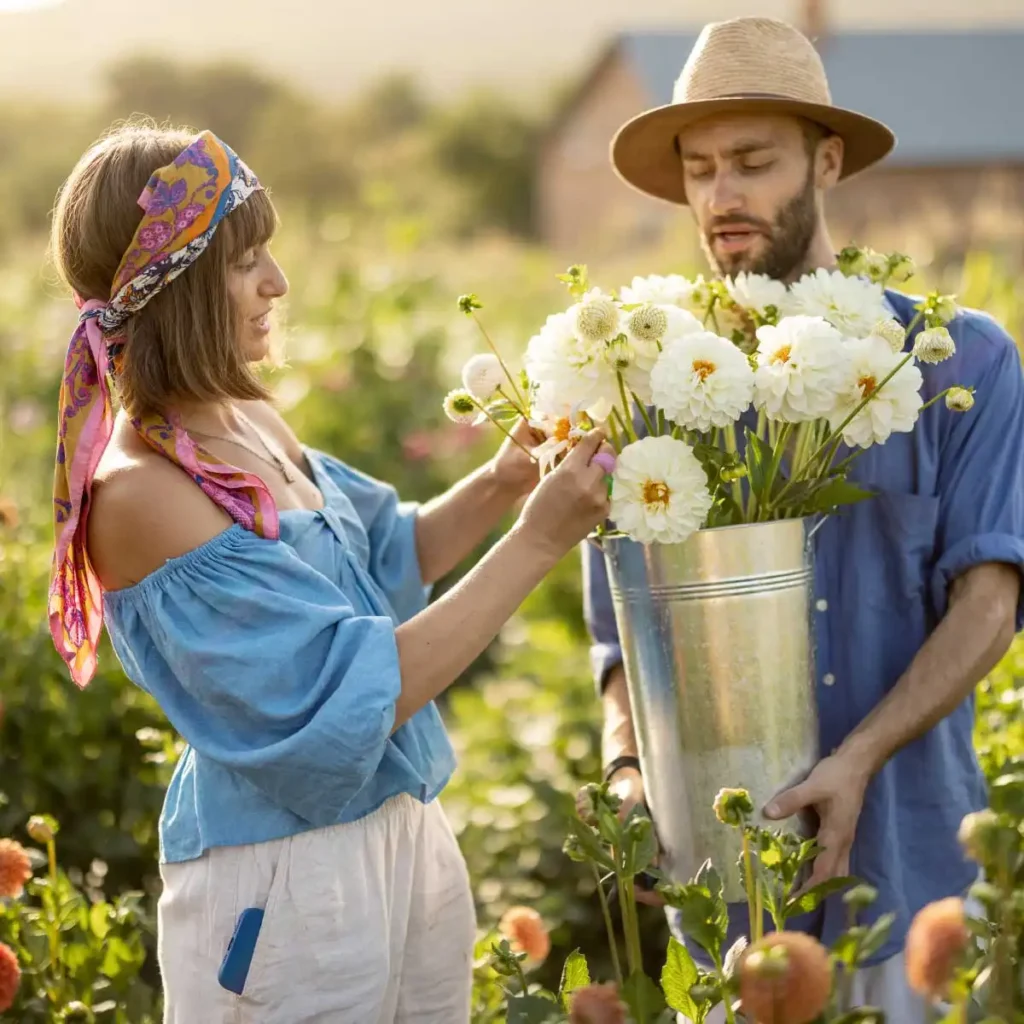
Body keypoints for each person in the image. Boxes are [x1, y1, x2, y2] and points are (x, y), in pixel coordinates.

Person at [48, 122, 612, 1024]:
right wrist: (538, 541)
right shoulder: (141, 493)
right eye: (244, 262)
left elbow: (390, 557)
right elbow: (352, 691)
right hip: (280, 885)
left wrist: (507, 479)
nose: (276, 283)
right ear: (176, 287)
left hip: (401, 836)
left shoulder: (244, 425)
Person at [583, 16, 1024, 1019]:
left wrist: (854, 761)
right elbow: (620, 634)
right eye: (698, 169)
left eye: (751, 162)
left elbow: (990, 600)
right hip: (725, 899)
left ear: (826, 160)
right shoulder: (652, 383)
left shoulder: (956, 361)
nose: (721, 195)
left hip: (907, 875)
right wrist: (624, 773)